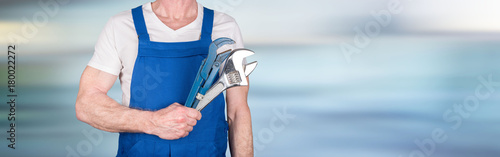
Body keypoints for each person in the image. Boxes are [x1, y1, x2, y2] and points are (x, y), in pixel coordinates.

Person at [75, 0, 253, 156]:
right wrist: (152, 122)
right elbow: (86, 104)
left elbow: (238, 112)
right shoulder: (121, 25)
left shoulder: (226, 26)